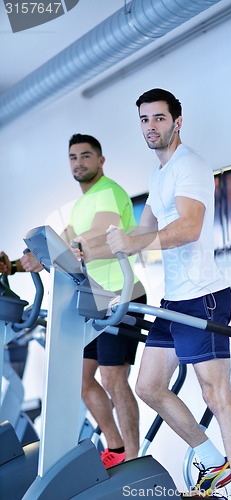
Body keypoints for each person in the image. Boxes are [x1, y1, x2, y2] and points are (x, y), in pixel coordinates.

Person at [107, 89, 231, 499]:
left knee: (215, 392)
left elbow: (189, 228)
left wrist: (136, 244)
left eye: (158, 118)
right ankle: (211, 459)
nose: (150, 126)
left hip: (203, 294)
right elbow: (138, 232)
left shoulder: (190, 165)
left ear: (177, 121)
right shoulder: (158, 174)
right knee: (149, 385)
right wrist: (87, 252)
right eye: (144, 119)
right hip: (173, 300)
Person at [0, 133, 147, 469]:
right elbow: (53, 248)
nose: (78, 163)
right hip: (91, 302)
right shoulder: (80, 204)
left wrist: (73, 246)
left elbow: (99, 233)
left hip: (119, 297)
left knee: (112, 378)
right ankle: (117, 447)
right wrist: (13, 265)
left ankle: (135, 458)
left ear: (100, 160)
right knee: (81, 381)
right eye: (73, 157)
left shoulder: (108, 192)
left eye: (85, 156)